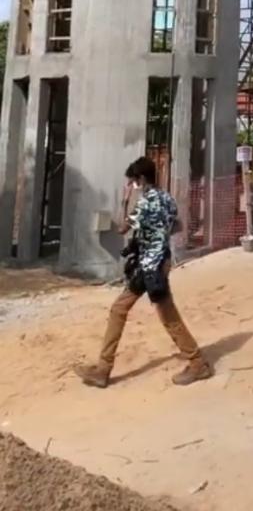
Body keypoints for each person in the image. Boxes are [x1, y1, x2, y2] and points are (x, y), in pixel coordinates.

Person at [74, 157, 211, 389]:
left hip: (151, 267)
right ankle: (103, 369)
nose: (133, 186)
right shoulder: (167, 198)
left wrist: (125, 202)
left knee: (168, 316)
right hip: (157, 262)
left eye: (133, 181)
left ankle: (198, 364)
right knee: (121, 308)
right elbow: (176, 225)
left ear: (142, 179)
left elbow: (122, 228)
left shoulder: (145, 203)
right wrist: (157, 233)